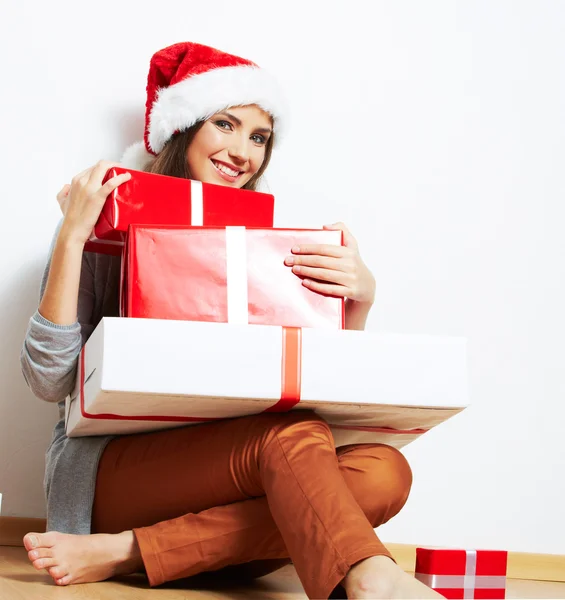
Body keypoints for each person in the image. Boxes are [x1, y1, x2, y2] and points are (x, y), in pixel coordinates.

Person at [20, 41, 443, 600]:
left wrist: (358, 302)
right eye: (226, 124)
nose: (243, 151)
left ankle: (131, 550)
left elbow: (314, 387)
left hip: (229, 482)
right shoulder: (101, 219)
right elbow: (49, 381)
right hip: (111, 474)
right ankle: (371, 579)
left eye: (259, 137)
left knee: (385, 472)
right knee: (290, 439)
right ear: (184, 127)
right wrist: (74, 235)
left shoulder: (264, 253)